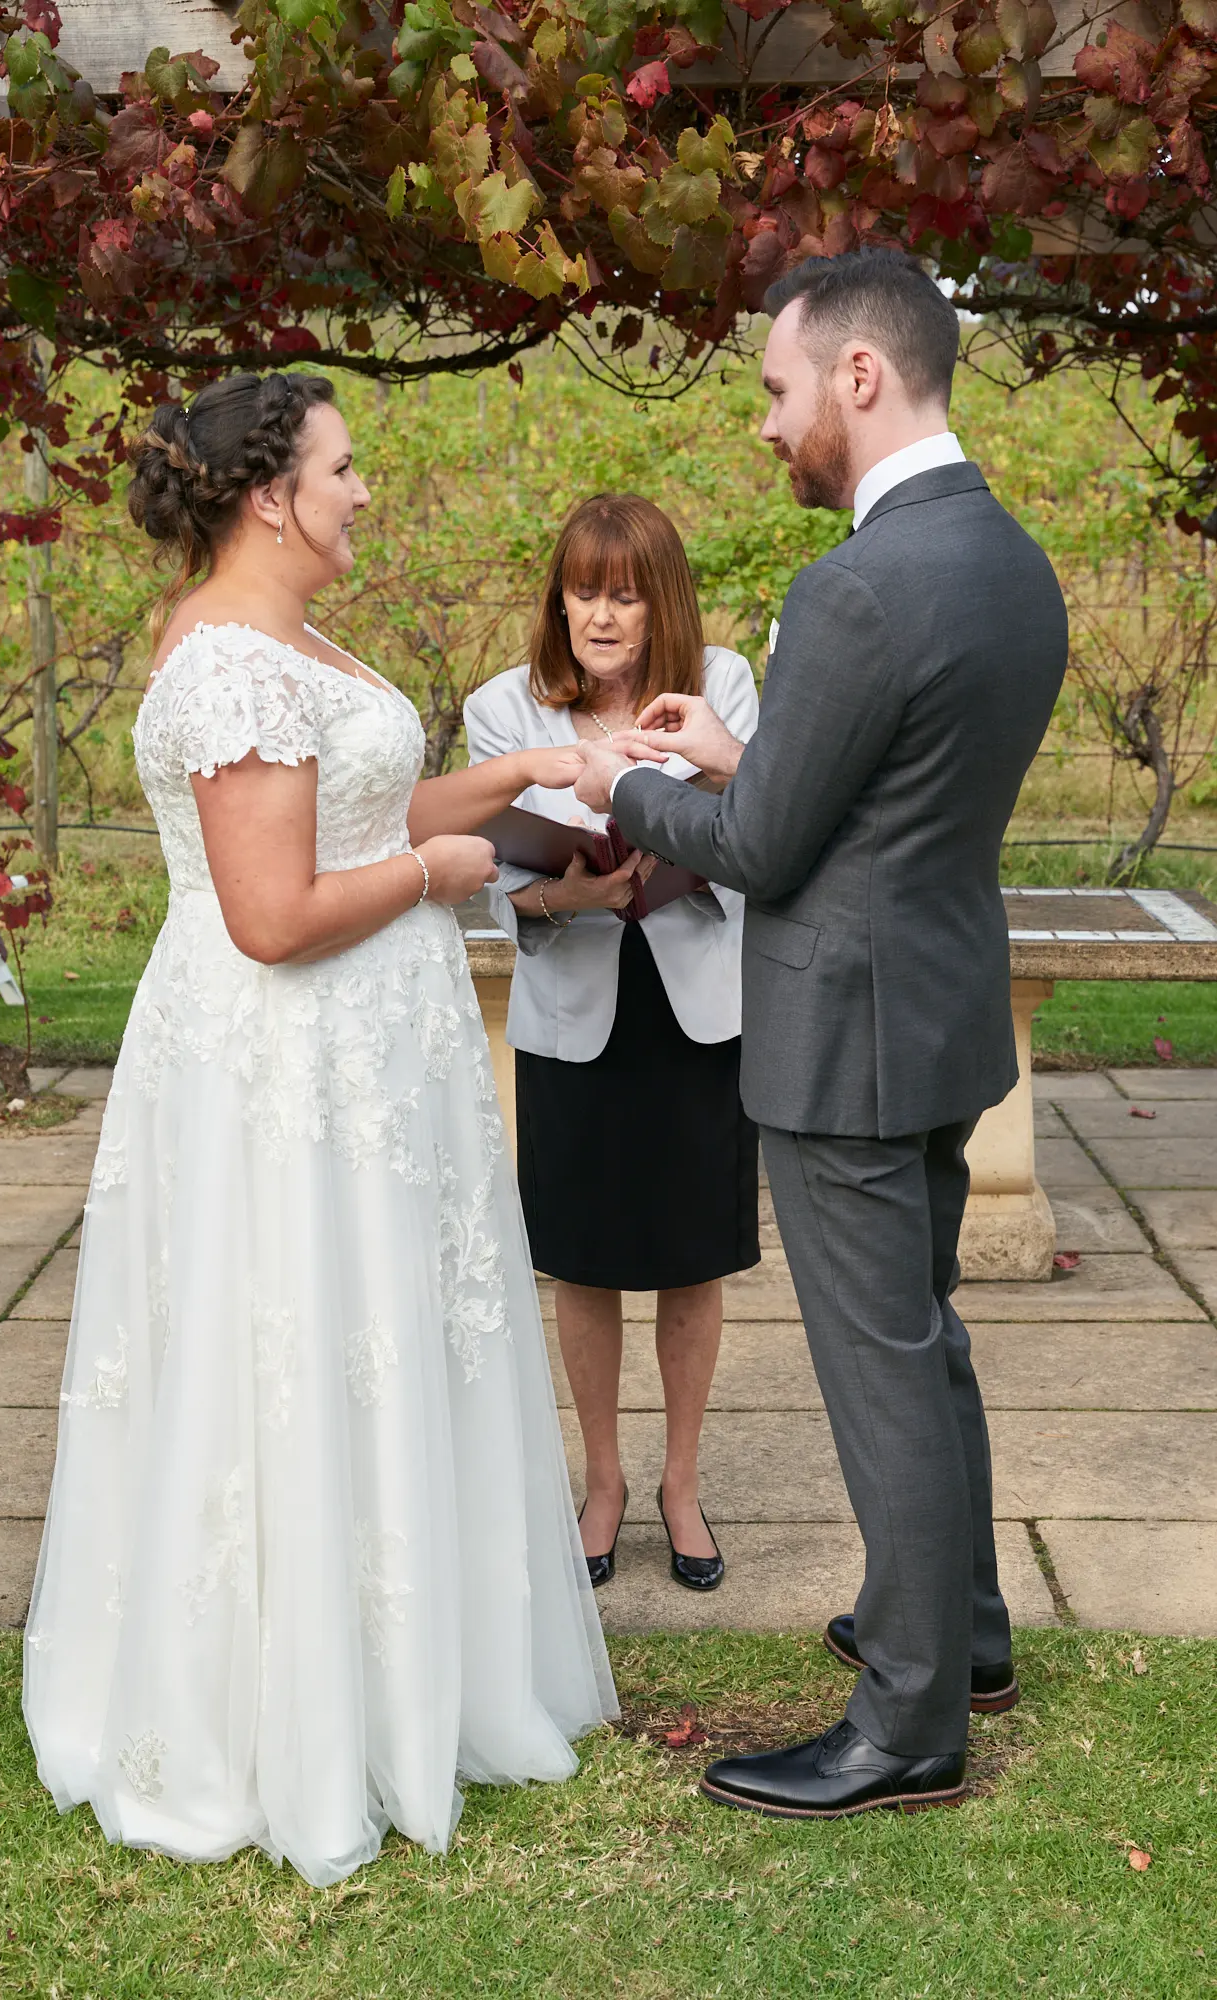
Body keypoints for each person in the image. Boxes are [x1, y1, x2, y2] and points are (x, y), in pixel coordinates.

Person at [23, 371, 616, 1887]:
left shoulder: (290, 638)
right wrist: (451, 875)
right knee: (285, 1346)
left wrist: (524, 771)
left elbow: (361, 800)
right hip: (283, 1067)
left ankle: (420, 1675)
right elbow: (275, 913)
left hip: (368, 1067)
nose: (365, 492)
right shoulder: (226, 662)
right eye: (347, 470)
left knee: (383, 1342)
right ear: (270, 491)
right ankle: (279, 1714)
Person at [576, 251, 1067, 1819]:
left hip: (843, 1038)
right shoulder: (1003, 557)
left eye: (778, 391)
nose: (766, 426)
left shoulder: (851, 584)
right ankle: (965, 1633)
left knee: (879, 1373)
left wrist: (621, 787)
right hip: (931, 1011)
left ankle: (910, 1724)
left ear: (860, 377)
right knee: (927, 1346)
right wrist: (745, 749)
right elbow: (886, 786)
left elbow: (770, 851)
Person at [464, 495, 760, 1593]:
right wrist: (568, 897)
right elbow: (501, 877)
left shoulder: (720, 688)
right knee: (580, 1257)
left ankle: (680, 1482)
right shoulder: (501, 709)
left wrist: (690, 848)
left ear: (659, 603)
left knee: (693, 1256)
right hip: (572, 1014)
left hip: (696, 1007)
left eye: (623, 593)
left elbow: (760, 830)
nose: (599, 613)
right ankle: (603, 1481)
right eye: (583, 590)